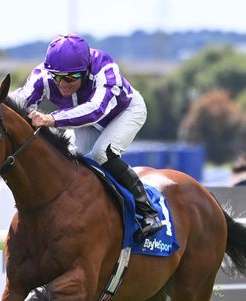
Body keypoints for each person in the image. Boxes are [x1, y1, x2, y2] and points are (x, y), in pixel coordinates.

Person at [12, 33, 162, 239]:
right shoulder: (43, 75)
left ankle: (148, 212)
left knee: (103, 153)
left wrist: (51, 119)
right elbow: (18, 103)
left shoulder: (105, 69)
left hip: (124, 113)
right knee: (71, 159)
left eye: (71, 78)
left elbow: (96, 110)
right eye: (57, 77)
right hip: (84, 119)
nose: (63, 84)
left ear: (85, 70)